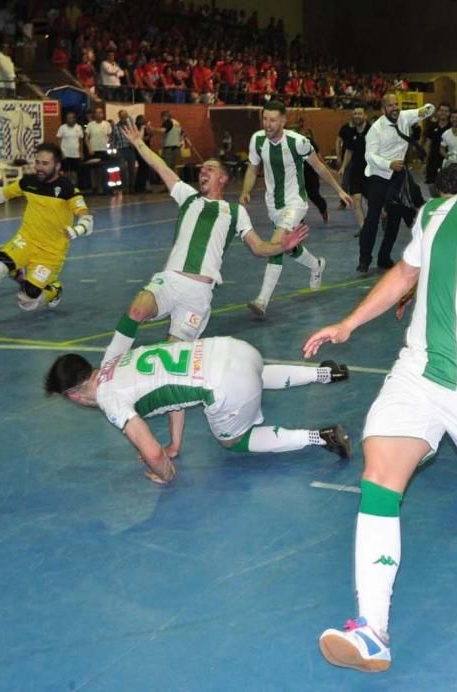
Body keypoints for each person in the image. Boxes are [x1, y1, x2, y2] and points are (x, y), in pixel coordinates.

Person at [305, 98, 457, 674]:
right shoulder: (436, 212)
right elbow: (404, 274)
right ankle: (373, 629)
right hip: (418, 372)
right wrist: (349, 322)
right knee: (379, 476)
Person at [102, 122, 311, 365]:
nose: (203, 171)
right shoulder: (187, 197)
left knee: (172, 358)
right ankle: (107, 368)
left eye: (210, 169)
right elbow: (161, 166)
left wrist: (281, 247)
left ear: (222, 178)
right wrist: (138, 143)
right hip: (169, 280)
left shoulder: (235, 211)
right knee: (136, 311)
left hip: (198, 294)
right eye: (202, 169)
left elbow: (258, 247)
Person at [44, 338, 353, 485]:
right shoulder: (115, 363)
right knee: (252, 373)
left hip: (226, 384)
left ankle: (320, 437)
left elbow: (150, 452)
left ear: (72, 394)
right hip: (236, 348)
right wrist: (175, 446)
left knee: (234, 442)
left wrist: (164, 472)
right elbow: (173, 398)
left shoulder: (109, 399)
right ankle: (326, 373)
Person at [239, 101, 352, 318]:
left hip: (295, 202)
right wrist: (246, 190)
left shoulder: (298, 142)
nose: (268, 124)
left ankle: (262, 300)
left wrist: (339, 191)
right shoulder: (257, 140)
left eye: (273, 120)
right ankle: (317, 265)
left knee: (276, 243)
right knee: (288, 248)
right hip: (273, 204)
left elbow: (319, 166)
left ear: (283, 120)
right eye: (265, 119)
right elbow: (253, 169)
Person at [0, 143, 93, 318]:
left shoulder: (67, 189)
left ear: (57, 166)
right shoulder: (28, 182)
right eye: (37, 162)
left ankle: (53, 289)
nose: (39, 167)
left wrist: (77, 230)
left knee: (27, 301)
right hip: (25, 241)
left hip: (50, 252)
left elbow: (87, 218)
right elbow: (1, 194)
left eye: (45, 163)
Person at [358, 94, 436, 272]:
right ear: (383, 109)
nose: (395, 108)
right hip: (378, 176)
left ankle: (384, 258)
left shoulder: (404, 117)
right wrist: (389, 164)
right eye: (390, 106)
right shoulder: (375, 130)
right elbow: (369, 156)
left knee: (395, 218)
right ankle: (364, 259)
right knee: (372, 219)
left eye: (396, 104)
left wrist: (426, 109)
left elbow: (428, 110)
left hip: (398, 176)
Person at [337, 103, 369, 230]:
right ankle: (363, 230)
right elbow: (349, 151)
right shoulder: (351, 132)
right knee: (356, 199)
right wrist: (343, 167)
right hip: (356, 171)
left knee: (374, 203)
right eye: (355, 113)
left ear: (365, 116)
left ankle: (383, 216)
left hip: (371, 172)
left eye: (360, 113)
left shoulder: (372, 131)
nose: (357, 116)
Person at [56, 110, 85, 186]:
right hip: (65, 154)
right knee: (66, 172)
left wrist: (81, 152)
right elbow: (58, 141)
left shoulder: (78, 128)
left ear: (74, 119)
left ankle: (74, 187)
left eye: (71, 118)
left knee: (74, 172)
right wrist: (60, 153)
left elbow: (81, 141)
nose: (70, 120)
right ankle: (66, 186)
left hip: (75, 154)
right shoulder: (62, 128)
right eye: (68, 118)